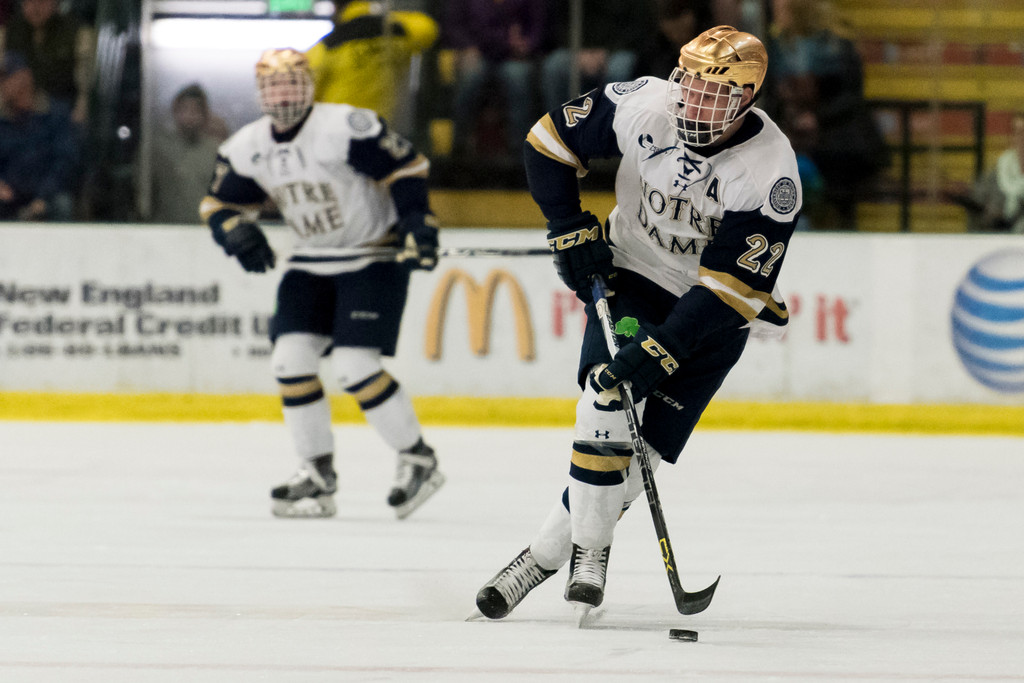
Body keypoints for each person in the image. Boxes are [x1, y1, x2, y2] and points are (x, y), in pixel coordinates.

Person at [475, 26, 801, 621]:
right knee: (607, 393)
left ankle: (541, 558)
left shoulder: (769, 175)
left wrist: (668, 349)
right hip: (635, 276)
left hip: (713, 311)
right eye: (692, 86)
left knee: (635, 464)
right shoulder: (645, 105)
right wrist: (567, 224)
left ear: (747, 99)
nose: (696, 104)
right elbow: (547, 141)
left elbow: (731, 289)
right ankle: (590, 555)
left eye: (715, 95)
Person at [199, 48, 445, 520]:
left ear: (310, 86)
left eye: (292, 83)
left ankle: (418, 459)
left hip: (371, 255)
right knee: (289, 360)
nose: (284, 94)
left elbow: (407, 166)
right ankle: (316, 473)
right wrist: (234, 231)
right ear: (260, 93)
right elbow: (217, 205)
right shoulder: (246, 146)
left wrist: (416, 221)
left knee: (354, 366)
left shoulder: (343, 127)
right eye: (274, 86)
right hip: (311, 261)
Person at [761, 0, 887, 230]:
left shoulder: (839, 46)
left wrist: (817, 118)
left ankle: (837, 226)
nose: (776, 9)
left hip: (837, 134)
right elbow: (769, 98)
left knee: (834, 165)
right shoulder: (776, 48)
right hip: (792, 134)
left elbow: (852, 98)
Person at [305, 0, 438, 134]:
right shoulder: (396, 33)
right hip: (386, 130)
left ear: (336, 6)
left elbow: (307, 94)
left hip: (340, 133)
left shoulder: (327, 46)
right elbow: (428, 29)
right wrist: (382, 19)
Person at [442, 0, 546, 158]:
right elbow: (453, 25)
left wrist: (527, 45)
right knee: (470, 77)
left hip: (514, 57)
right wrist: (466, 46)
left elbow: (538, 25)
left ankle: (520, 154)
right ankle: (459, 150)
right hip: (477, 52)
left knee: (518, 78)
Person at [0, 52, 79, 221]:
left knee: (62, 204)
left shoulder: (55, 114)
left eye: (5, 78)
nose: (2, 85)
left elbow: (65, 160)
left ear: (25, 77)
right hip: (9, 195)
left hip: (46, 194)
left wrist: (43, 196)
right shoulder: (3, 118)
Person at [540, 0, 655, 114]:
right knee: (554, 65)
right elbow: (563, 22)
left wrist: (607, 52)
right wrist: (579, 52)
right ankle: (558, 126)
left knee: (618, 70)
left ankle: (612, 126)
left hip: (619, 49)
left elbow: (638, 26)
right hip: (579, 49)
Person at [2, 0, 93, 125]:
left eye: (41, 2)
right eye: (28, 2)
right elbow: (10, 66)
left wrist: (30, 81)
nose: (34, 8)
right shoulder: (15, 28)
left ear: (55, 3)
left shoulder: (73, 31)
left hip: (60, 105)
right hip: (19, 108)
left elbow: (75, 79)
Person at [150, 84, 224, 224]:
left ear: (205, 114)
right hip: (164, 231)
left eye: (196, 111)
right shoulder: (157, 149)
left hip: (205, 230)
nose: (190, 116)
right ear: (175, 112)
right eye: (184, 110)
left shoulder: (215, 150)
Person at [962, 112, 1024, 234]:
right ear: (1012, 138)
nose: (1022, 139)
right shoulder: (993, 176)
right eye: (1019, 133)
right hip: (995, 245)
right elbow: (974, 218)